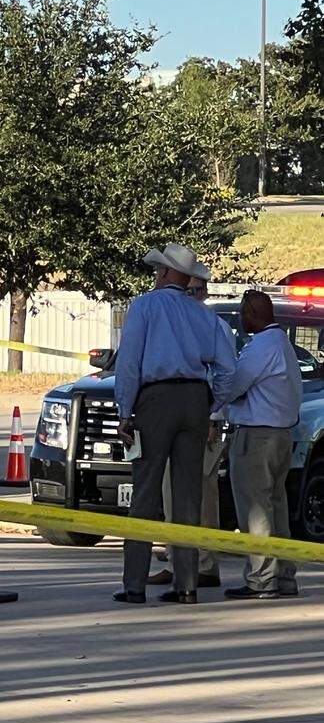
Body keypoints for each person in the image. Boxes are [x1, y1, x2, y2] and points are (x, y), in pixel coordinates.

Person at [113, 243, 235, 605]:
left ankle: (135, 584)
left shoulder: (145, 306)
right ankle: (187, 584)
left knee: (146, 490)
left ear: (165, 273)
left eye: (157, 270)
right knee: (188, 495)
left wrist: (124, 411)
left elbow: (130, 361)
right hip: (196, 399)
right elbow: (227, 369)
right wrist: (211, 402)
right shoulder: (205, 315)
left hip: (156, 400)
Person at [150, 273, 237, 588]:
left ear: (203, 292)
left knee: (202, 497)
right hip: (176, 419)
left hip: (204, 421)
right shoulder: (176, 326)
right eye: (184, 290)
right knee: (171, 495)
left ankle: (205, 564)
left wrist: (214, 414)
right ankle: (176, 561)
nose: (187, 296)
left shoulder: (215, 326)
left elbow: (226, 374)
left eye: (193, 291)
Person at [223, 290, 303, 599]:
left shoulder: (260, 347)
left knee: (254, 508)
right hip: (282, 435)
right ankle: (284, 575)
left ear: (254, 314)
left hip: (257, 436)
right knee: (276, 507)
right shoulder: (283, 344)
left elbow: (235, 386)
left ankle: (260, 578)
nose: (242, 320)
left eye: (244, 314)